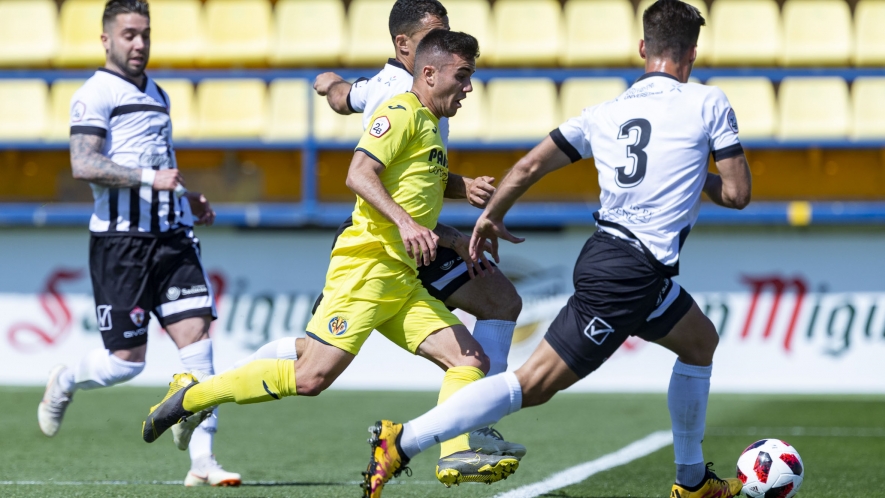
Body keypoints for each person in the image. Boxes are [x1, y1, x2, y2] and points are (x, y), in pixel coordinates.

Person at [362, 1, 753, 497]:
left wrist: (490, 216)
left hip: (625, 261)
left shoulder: (605, 112)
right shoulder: (708, 102)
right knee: (534, 385)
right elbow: (738, 194)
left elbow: (528, 166)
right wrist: (698, 174)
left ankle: (691, 480)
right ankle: (405, 440)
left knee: (699, 342)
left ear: (641, 49)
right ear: (693, 52)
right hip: (626, 273)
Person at [141, 30, 521, 491]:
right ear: (428, 73)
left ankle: (453, 451)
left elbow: (413, 203)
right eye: (462, 77)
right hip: (365, 270)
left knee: (470, 361)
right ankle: (192, 397)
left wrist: (454, 237)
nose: (468, 87)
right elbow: (359, 175)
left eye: (471, 77)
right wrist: (406, 224)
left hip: (401, 279)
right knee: (310, 377)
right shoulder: (400, 113)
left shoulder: (429, 128)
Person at [228, 0, 526, 471]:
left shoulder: (404, 85)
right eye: (433, 35)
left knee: (501, 303)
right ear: (405, 46)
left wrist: (329, 84)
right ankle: (211, 392)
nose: (442, 44)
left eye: (446, 33)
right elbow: (369, 171)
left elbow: (352, 102)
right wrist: (329, 84)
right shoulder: (395, 90)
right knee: (311, 362)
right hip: (385, 236)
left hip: (421, 235)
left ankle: (471, 422)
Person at [36, 0, 240, 487]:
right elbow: (84, 163)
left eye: (145, 33)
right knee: (124, 364)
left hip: (172, 239)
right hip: (121, 245)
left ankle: (203, 462)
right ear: (106, 39)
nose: (140, 43)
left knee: (200, 346)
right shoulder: (94, 92)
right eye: (129, 34)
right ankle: (65, 379)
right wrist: (151, 178)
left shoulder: (159, 93)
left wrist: (188, 196)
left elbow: (158, 161)